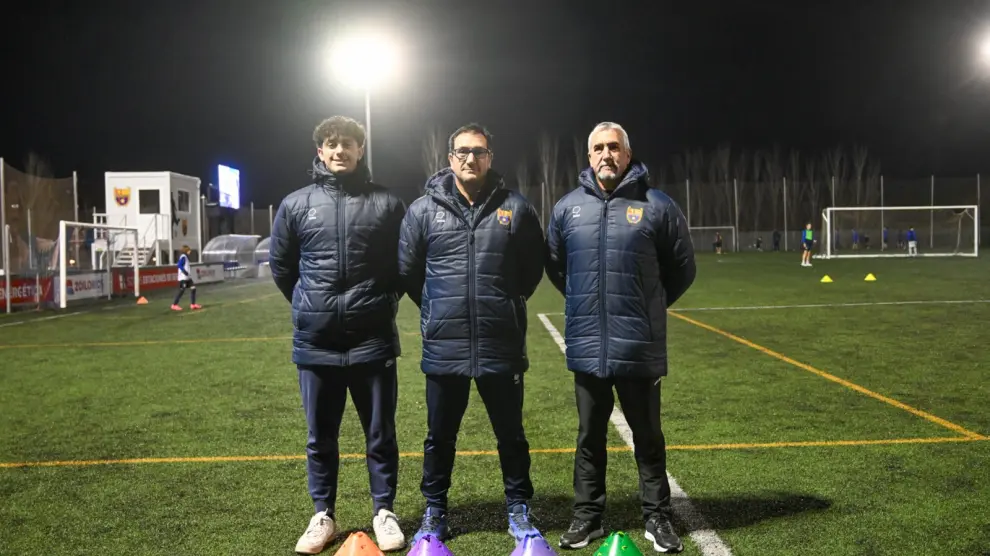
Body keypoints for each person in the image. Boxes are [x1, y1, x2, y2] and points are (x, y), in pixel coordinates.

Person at [546, 122, 696, 553]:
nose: (606, 154)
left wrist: (649, 307)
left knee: (647, 437)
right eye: (598, 148)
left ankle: (657, 517)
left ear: (628, 155)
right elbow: (556, 267)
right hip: (588, 344)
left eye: (614, 147)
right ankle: (587, 517)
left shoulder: (657, 205)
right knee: (589, 438)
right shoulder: (567, 208)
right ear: (588, 156)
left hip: (637, 345)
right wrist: (586, 305)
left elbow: (683, 267)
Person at [398, 123, 545, 544]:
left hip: (501, 344)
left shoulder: (516, 208)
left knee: (511, 435)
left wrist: (504, 305)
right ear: (450, 159)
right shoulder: (422, 211)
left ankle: (518, 507)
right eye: (462, 151)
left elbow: (532, 269)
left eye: (479, 152)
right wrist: (439, 310)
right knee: (439, 437)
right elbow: (409, 273)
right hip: (445, 345)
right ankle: (434, 510)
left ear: (490, 158)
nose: (470, 158)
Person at [269, 116, 407, 554]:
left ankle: (384, 511)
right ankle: (323, 514)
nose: (339, 150)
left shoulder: (387, 203)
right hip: (317, 343)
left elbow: (403, 264)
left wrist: (380, 302)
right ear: (320, 152)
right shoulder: (296, 204)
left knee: (380, 435)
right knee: (319, 438)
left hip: (372, 339)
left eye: (347, 143)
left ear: (360, 149)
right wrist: (311, 306)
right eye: (331, 144)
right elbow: (282, 267)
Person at [170, 245, 201, 311]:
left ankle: (193, 304)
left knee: (193, 288)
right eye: (189, 250)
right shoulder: (183, 257)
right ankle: (174, 305)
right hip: (183, 278)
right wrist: (184, 271)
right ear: (186, 250)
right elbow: (179, 265)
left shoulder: (185, 257)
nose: (190, 251)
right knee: (181, 290)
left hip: (187, 278)